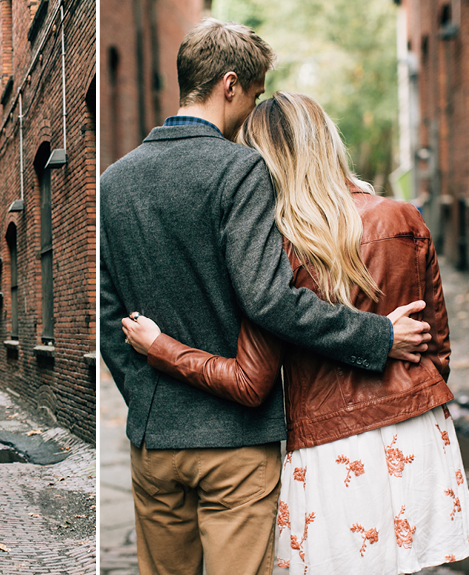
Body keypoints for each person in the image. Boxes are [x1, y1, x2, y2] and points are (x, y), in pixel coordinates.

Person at [100, 18, 432, 575]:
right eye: (253, 96)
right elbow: (270, 300)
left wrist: (146, 397)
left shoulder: (114, 180)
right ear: (230, 84)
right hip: (236, 445)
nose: (251, 113)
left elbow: (110, 315)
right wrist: (379, 335)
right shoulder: (241, 168)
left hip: (154, 442)